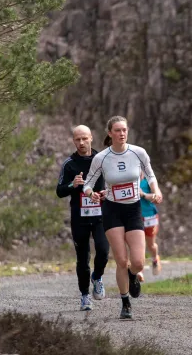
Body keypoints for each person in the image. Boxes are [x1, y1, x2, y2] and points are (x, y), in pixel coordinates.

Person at [83, 116, 163, 319]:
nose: (122, 133)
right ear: (110, 133)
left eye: (124, 130)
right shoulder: (101, 158)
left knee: (136, 262)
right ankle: (125, 302)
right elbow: (88, 183)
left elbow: (150, 174)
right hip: (112, 210)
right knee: (121, 259)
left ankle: (133, 275)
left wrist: (156, 191)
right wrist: (91, 193)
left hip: (134, 209)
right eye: (117, 130)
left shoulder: (138, 153)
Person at [56, 125, 110, 311]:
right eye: (77, 139)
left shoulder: (102, 159)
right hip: (79, 217)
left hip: (101, 215)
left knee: (103, 250)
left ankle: (97, 277)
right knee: (82, 258)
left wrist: (105, 193)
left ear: (91, 138)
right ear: (73, 141)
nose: (81, 143)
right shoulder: (69, 164)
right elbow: (59, 191)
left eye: (84, 138)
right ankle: (85, 296)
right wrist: (73, 184)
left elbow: (113, 182)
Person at [139, 173, 162, 276]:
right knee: (138, 244)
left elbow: (158, 198)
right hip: (135, 217)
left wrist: (143, 194)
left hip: (149, 216)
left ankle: (155, 259)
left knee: (151, 245)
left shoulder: (148, 180)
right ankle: (139, 270)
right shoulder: (128, 179)